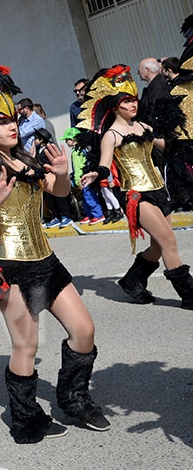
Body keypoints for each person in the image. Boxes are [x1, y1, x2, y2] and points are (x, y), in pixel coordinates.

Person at [0, 63, 110, 443]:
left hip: (47, 262)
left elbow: (60, 193)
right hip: (10, 267)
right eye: (1, 123)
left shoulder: (29, 160)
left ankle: (73, 397)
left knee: (84, 330)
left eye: (12, 119)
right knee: (27, 345)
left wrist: (64, 172)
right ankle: (25, 419)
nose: (11, 126)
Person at [80, 65, 193, 309]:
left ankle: (133, 281)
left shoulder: (143, 127)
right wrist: (95, 174)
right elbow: (104, 164)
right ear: (114, 106)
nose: (133, 105)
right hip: (136, 195)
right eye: (127, 102)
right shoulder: (111, 135)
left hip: (159, 190)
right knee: (169, 242)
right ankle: (188, 294)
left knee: (158, 244)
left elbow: (169, 145)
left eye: (134, 101)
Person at [62, 128, 109, 224]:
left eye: (67, 139)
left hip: (85, 177)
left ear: (73, 140)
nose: (66, 142)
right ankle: (89, 214)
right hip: (79, 178)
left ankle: (98, 214)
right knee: (84, 197)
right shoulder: (74, 151)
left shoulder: (82, 150)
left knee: (90, 196)